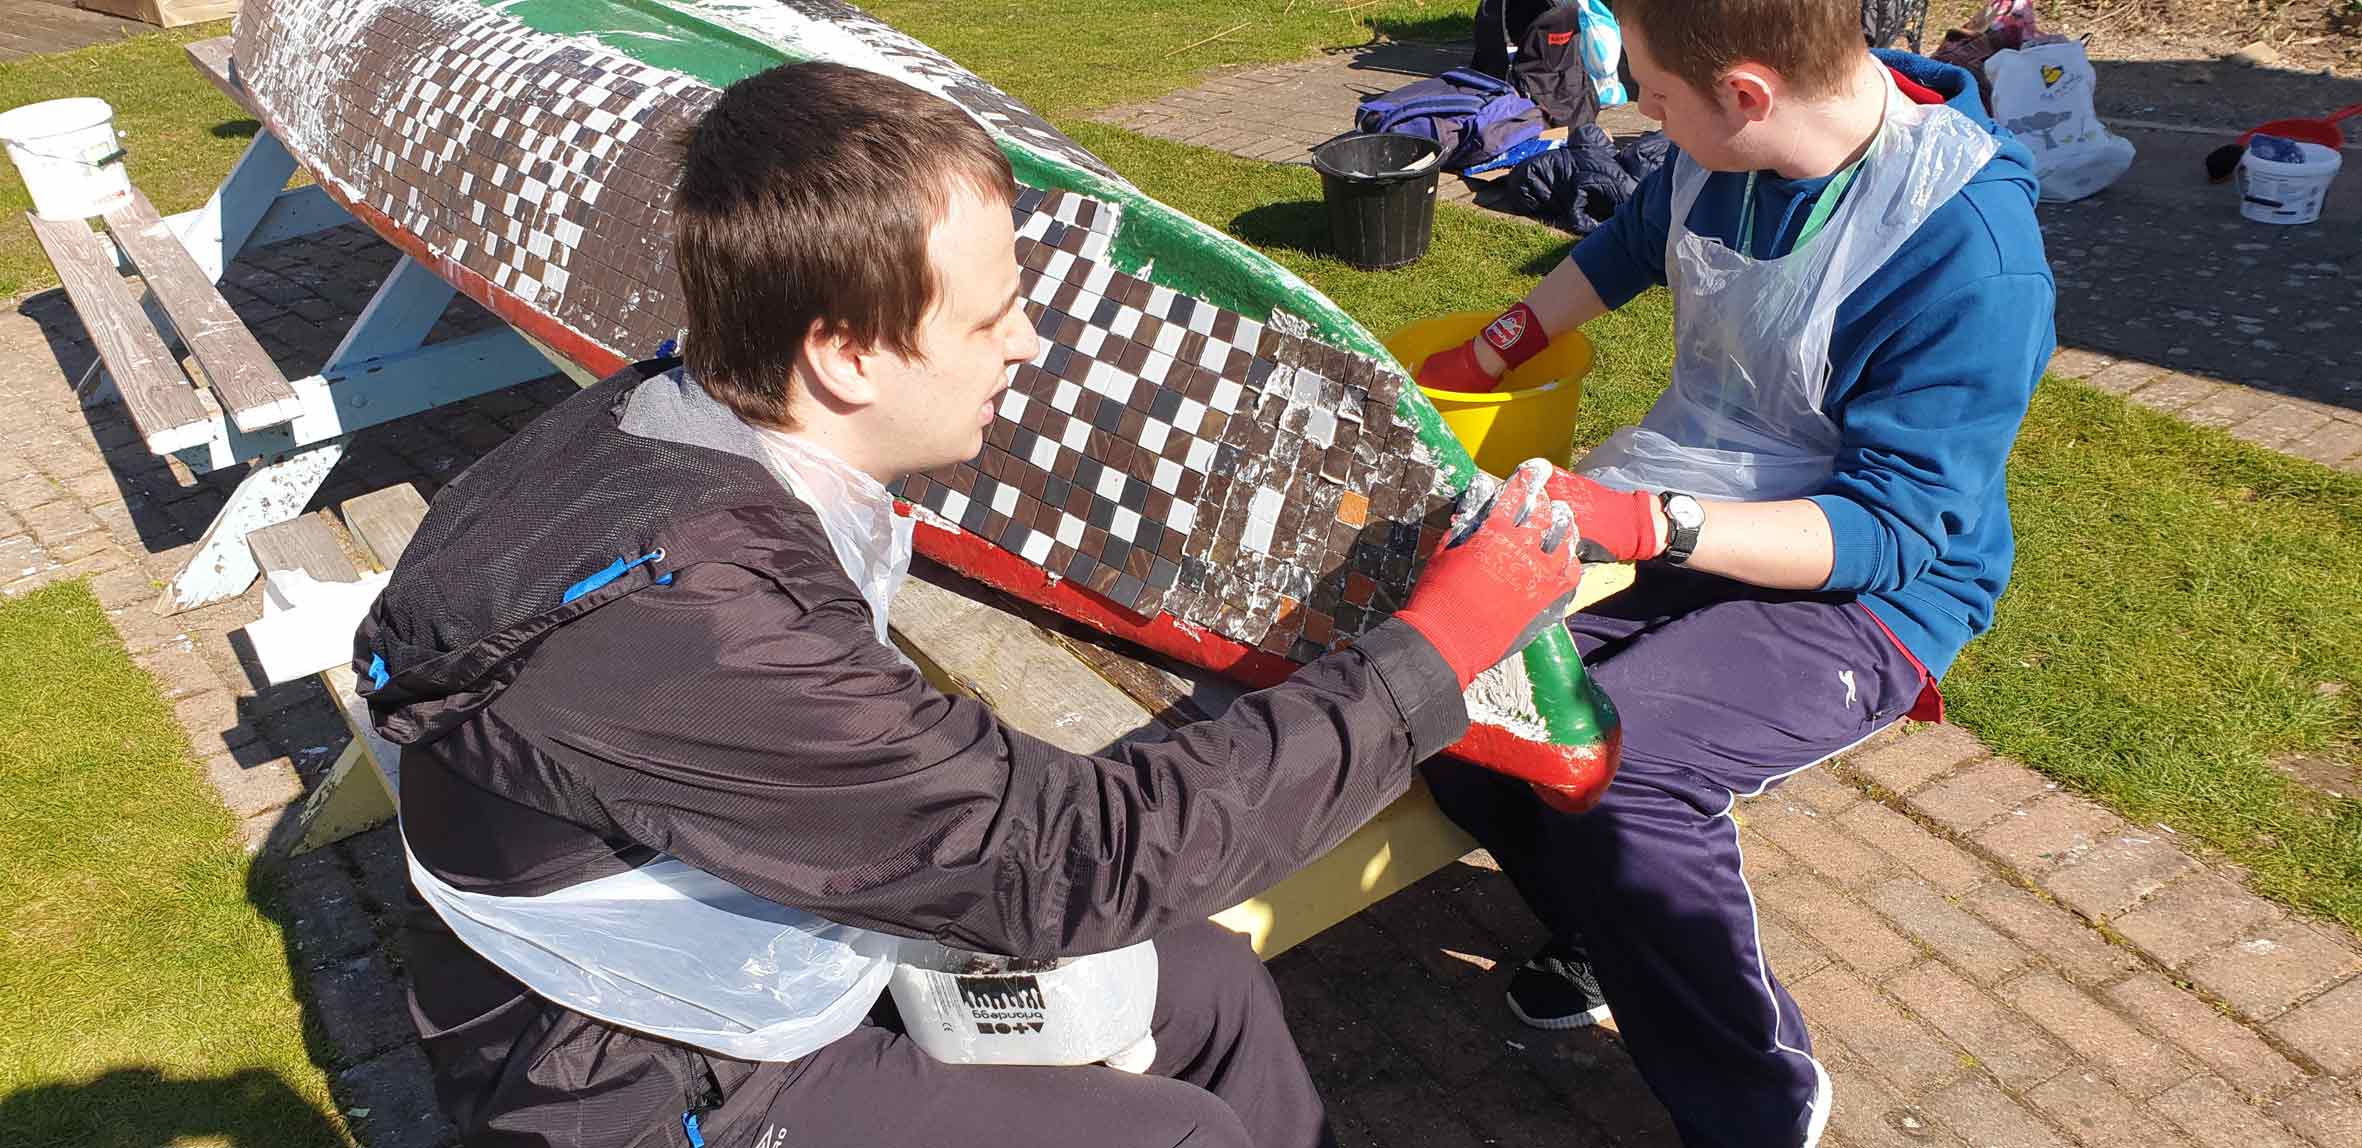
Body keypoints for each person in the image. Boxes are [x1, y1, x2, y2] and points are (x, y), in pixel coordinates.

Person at [358, 61, 1597, 1148]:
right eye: (990, 313)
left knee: (1208, 987)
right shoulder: (697, 621)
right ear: (845, 356)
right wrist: (1440, 646)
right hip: (628, 1075)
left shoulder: (676, 416)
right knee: (1174, 1133)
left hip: (729, 926)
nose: (1024, 343)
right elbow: (1080, 856)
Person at [1413, 2, 2054, 1146]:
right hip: (1705, 498)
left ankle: (1759, 1098)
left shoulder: (1968, 251)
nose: (1636, 114)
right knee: (1473, 688)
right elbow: (1632, 235)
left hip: (1877, 586)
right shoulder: (1723, 146)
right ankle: (1602, 927)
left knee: (1628, 762)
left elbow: (1891, 527)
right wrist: (1498, 344)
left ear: (1746, 95)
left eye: (1652, 96)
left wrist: (1645, 519)